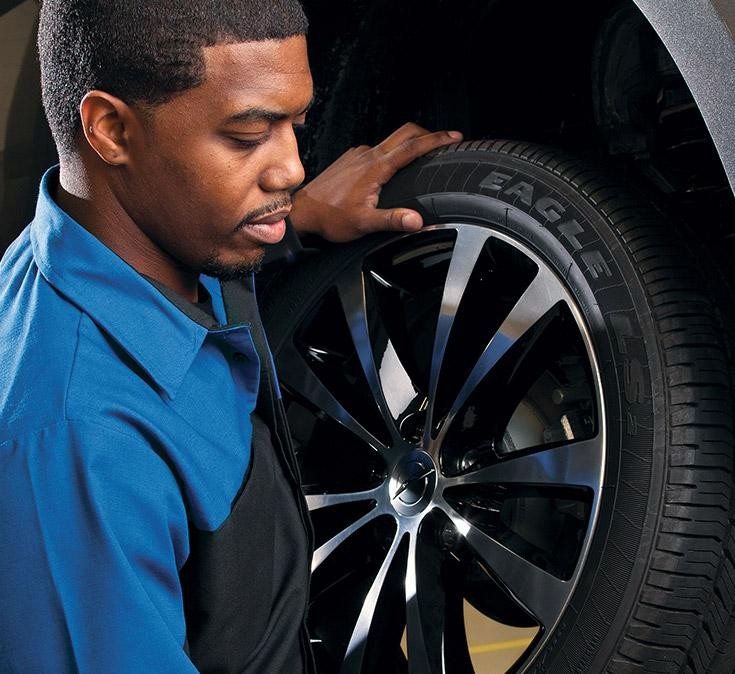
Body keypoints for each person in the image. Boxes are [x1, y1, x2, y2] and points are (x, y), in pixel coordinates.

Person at [0, 1, 460, 671]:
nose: (292, 169)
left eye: (294, 125)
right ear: (110, 130)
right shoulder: (78, 448)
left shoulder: (138, 234)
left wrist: (298, 218)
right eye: (248, 134)